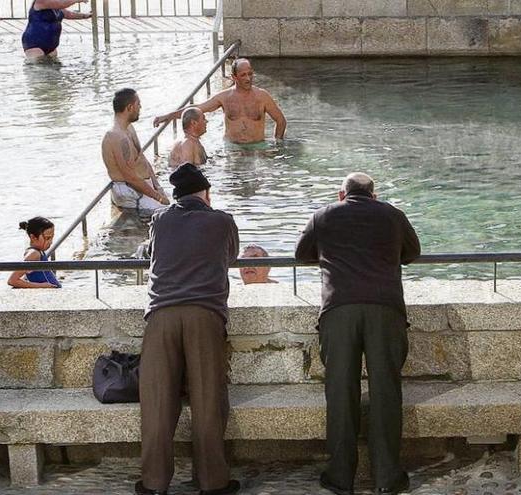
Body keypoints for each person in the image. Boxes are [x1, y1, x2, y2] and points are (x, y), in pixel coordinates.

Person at [295, 173, 420, 495]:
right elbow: (413, 252)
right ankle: (388, 478)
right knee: (386, 393)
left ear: (342, 194)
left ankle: (340, 478)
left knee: (340, 393)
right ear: (373, 195)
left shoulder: (323, 215)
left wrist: (329, 254)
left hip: (339, 311)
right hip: (386, 310)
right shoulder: (392, 214)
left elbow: (300, 254)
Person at [137, 164, 240, 495]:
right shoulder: (222, 220)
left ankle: (154, 484)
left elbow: (151, 253)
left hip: (160, 316)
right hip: (204, 314)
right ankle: (212, 482)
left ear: (176, 196)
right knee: (208, 400)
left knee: (157, 404)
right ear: (206, 193)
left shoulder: (160, 220)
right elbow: (231, 255)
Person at [153, 58, 287, 144]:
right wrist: (167, 116)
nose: (248, 78)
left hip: (257, 147)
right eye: (243, 75)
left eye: (250, 74)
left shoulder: (262, 96)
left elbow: (280, 120)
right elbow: (197, 109)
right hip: (232, 148)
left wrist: (278, 143)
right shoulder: (224, 97)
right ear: (234, 77)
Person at [102, 88, 170, 217]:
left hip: (145, 186)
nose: (140, 107)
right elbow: (130, 176)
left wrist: (157, 186)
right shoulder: (115, 136)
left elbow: (141, 157)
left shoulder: (129, 128)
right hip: (131, 190)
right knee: (168, 215)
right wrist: (158, 198)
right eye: (138, 104)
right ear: (130, 107)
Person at [21, 0, 91, 61]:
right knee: (39, 70)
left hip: (51, 46)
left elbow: (69, 14)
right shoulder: (40, 1)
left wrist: (85, 16)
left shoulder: (57, 8)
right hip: (35, 44)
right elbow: (61, 4)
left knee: (55, 71)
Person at [7, 216, 62, 288]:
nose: (51, 242)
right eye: (47, 238)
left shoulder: (40, 251)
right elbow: (12, 280)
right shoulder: (34, 254)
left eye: (52, 237)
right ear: (33, 237)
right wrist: (41, 286)